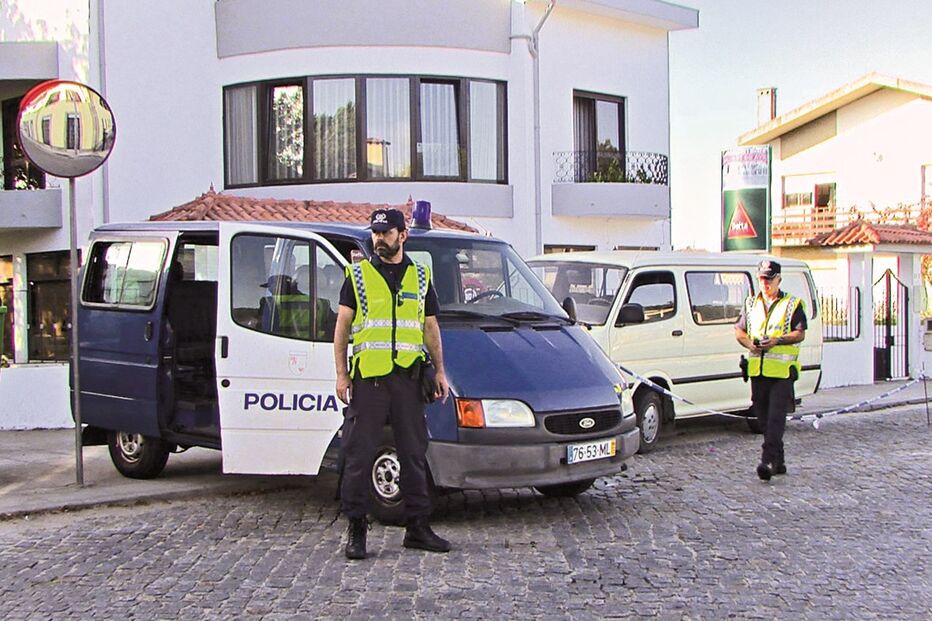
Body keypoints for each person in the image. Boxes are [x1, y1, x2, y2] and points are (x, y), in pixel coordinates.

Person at [333, 207, 451, 560]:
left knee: (414, 454)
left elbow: (430, 326)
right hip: (369, 380)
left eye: (385, 233)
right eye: (375, 233)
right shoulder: (358, 275)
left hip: (408, 378)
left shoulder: (420, 276)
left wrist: (440, 371)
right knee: (358, 455)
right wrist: (341, 374)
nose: (379, 238)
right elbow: (342, 327)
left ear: (403, 235)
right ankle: (357, 529)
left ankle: (417, 527)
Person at [735, 260, 807, 481]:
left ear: (779, 280)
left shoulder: (792, 304)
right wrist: (750, 344)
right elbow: (739, 331)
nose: (765, 283)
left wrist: (777, 340)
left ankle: (766, 460)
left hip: (782, 373)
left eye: (769, 279)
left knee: (776, 418)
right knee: (764, 419)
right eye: (762, 279)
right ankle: (779, 461)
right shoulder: (750, 304)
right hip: (758, 371)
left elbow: (800, 333)